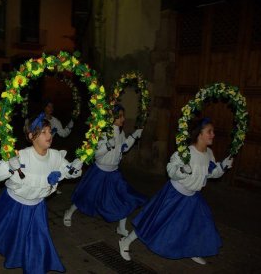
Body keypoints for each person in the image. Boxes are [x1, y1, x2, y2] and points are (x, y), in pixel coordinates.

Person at [0, 112, 83, 274]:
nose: (49, 135)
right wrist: (8, 166)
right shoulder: (22, 156)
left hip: (36, 209)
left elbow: (68, 171)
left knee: (36, 245)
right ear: (31, 136)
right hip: (12, 205)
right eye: (43, 132)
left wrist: (74, 170)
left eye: (50, 131)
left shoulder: (56, 156)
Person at [119, 117, 233, 265]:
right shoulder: (186, 152)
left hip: (193, 197)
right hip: (174, 194)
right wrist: (182, 170)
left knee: (197, 224)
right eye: (209, 132)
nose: (213, 135)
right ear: (200, 134)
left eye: (213, 132)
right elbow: (171, 170)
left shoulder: (209, 153)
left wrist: (222, 167)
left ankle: (192, 249)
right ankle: (125, 241)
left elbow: (210, 173)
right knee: (155, 221)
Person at [63, 105, 147, 236]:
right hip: (99, 172)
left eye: (123, 116)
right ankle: (69, 212)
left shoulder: (121, 132)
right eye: (120, 116)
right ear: (112, 118)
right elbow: (96, 154)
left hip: (114, 173)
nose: (123, 118)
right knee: (87, 196)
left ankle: (121, 226)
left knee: (123, 197)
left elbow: (123, 148)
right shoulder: (103, 133)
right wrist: (107, 146)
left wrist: (133, 137)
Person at [43, 100, 74, 194]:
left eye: (52, 107)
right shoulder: (38, 119)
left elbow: (63, 133)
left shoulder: (55, 121)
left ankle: (52, 185)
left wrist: (70, 126)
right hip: (38, 147)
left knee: (51, 167)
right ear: (44, 107)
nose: (51, 109)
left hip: (49, 148)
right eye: (48, 106)